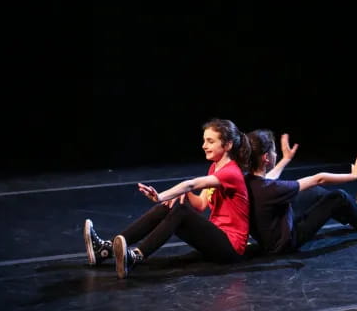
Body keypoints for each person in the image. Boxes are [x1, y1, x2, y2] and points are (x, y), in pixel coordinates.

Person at [84, 118, 251, 278]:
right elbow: (201, 204)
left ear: (228, 145)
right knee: (168, 207)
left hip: (231, 248)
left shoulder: (231, 173)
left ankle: (135, 257)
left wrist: (160, 195)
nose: (204, 146)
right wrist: (182, 194)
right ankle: (105, 249)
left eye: (210, 141)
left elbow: (191, 184)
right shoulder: (214, 168)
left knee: (180, 210)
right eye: (204, 140)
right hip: (217, 239)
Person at [245, 129, 357, 255]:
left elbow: (269, 178)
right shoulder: (273, 189)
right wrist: (353, 176)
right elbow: (319, 178)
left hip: (273, 231)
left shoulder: (247, 181)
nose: (275, 154)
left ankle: (355, 214)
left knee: (313, 192)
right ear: (266, 158)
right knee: (339, 197)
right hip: (286, 242)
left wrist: (285, 159)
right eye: (274, 151)